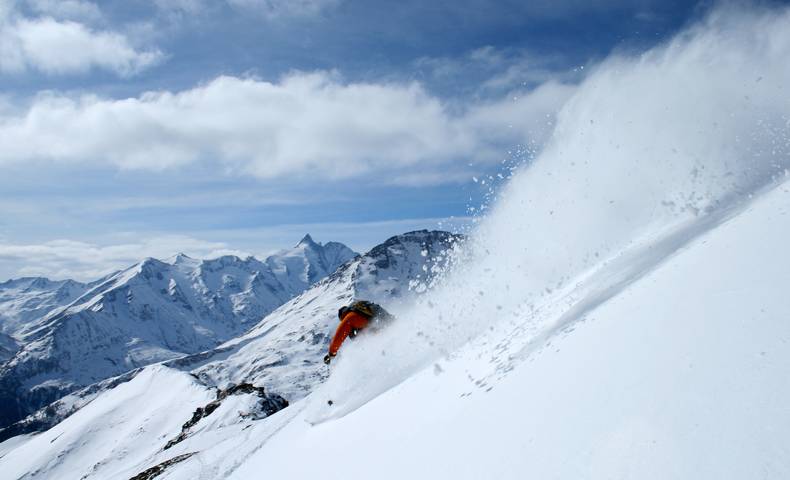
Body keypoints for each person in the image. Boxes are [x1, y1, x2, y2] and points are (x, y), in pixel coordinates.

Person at [323, 300, 393, 364]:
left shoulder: (350, 317)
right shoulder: (362, 309)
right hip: (382, 319)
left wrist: (331, 354)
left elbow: (339, 335)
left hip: (377, 321)